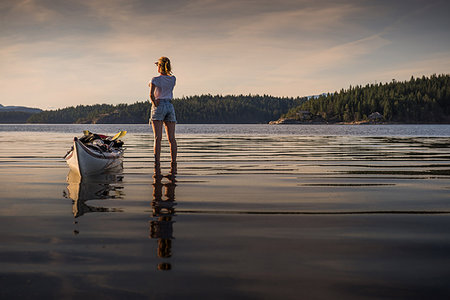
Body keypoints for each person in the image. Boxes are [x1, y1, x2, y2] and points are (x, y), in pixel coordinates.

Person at [149, 56, 177, 172]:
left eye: (158, 65)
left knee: (158, 138)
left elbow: (151, 95)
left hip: (159, 105)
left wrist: (155, 104)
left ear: (159, 66)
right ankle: (173, 162)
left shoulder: (155, 79)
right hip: (170, 106)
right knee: (172, 138)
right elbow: (167, 86)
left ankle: (157, 164)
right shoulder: (173, 79)